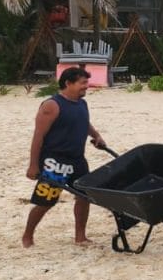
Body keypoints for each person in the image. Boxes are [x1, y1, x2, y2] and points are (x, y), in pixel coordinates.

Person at [22, 67, 107, 248]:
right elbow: (38, 137)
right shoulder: (51, 106)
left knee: (84, 197)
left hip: (77, 160)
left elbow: (84, 121)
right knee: (46, 202)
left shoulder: (81, 103)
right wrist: (33, 165)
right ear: (68, 83)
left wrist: (96, 135)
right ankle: (27, 236)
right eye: (82, 83)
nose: (87, 86)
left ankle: (80, 236)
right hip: (55, 163)